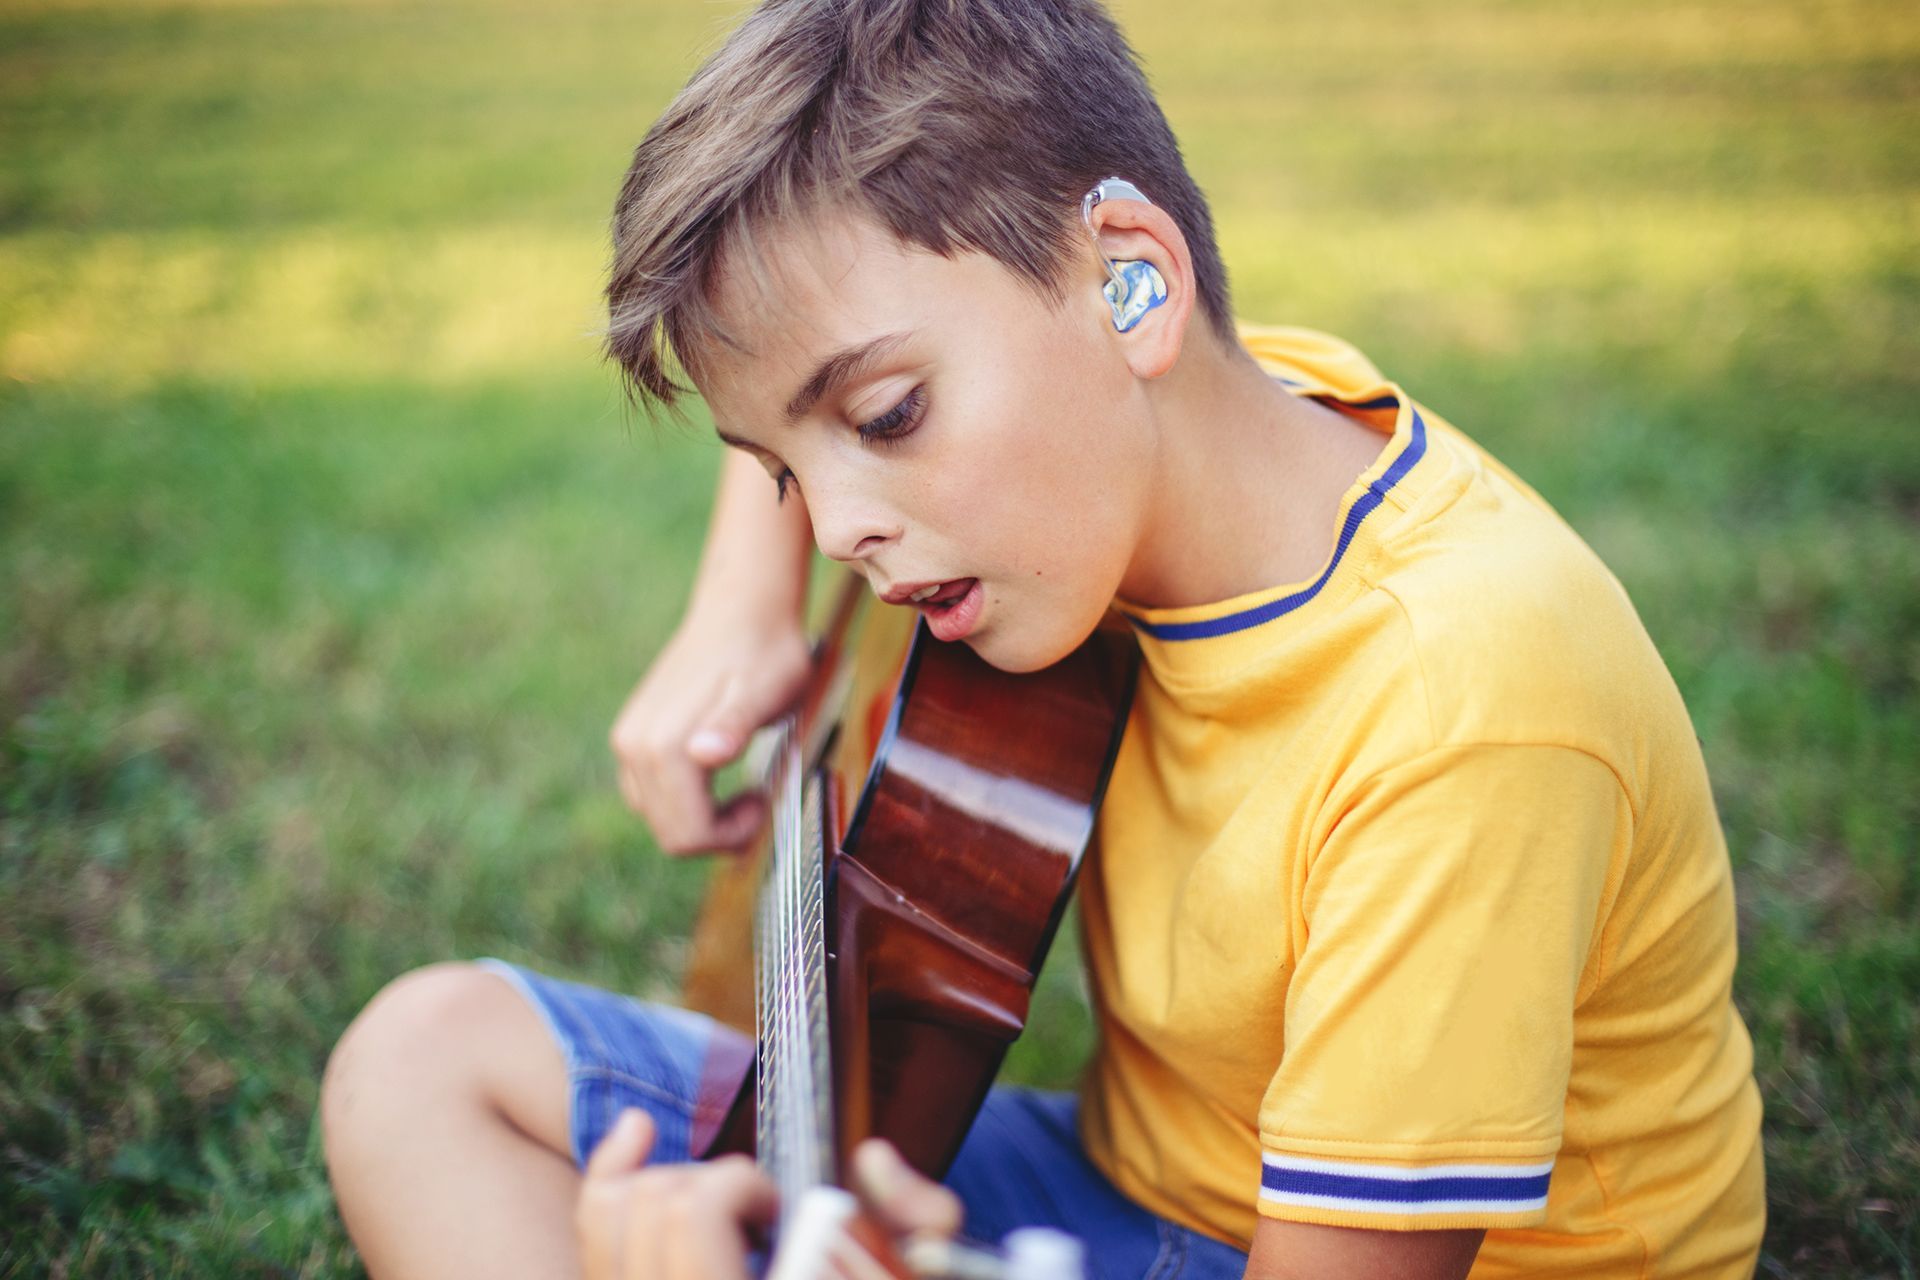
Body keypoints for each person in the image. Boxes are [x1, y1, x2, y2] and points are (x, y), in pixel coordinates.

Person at [319, 0, 1767, 1276]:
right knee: (421, 1059)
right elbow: (823, 325)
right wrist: (742, 600)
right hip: (1123, 1179)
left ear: (1132, 278)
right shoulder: (1208, 407)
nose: (835, 529)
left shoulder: (1466, 698)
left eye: (887, 420)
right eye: (780, 468)